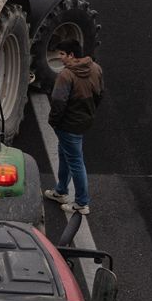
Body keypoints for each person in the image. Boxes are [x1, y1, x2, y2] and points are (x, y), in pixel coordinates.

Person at [45, 45, 105, 215]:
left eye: (62, 54)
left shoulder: (66, 75)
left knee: (76, 161)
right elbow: (100, 94)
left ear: (71, 55)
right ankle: (61, 191)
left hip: (67, 125)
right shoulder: (96, 68)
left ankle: (81, 203)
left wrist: (54, 121)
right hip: (83, 121)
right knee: (65, 154)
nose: (60, 57)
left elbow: (58, 101)